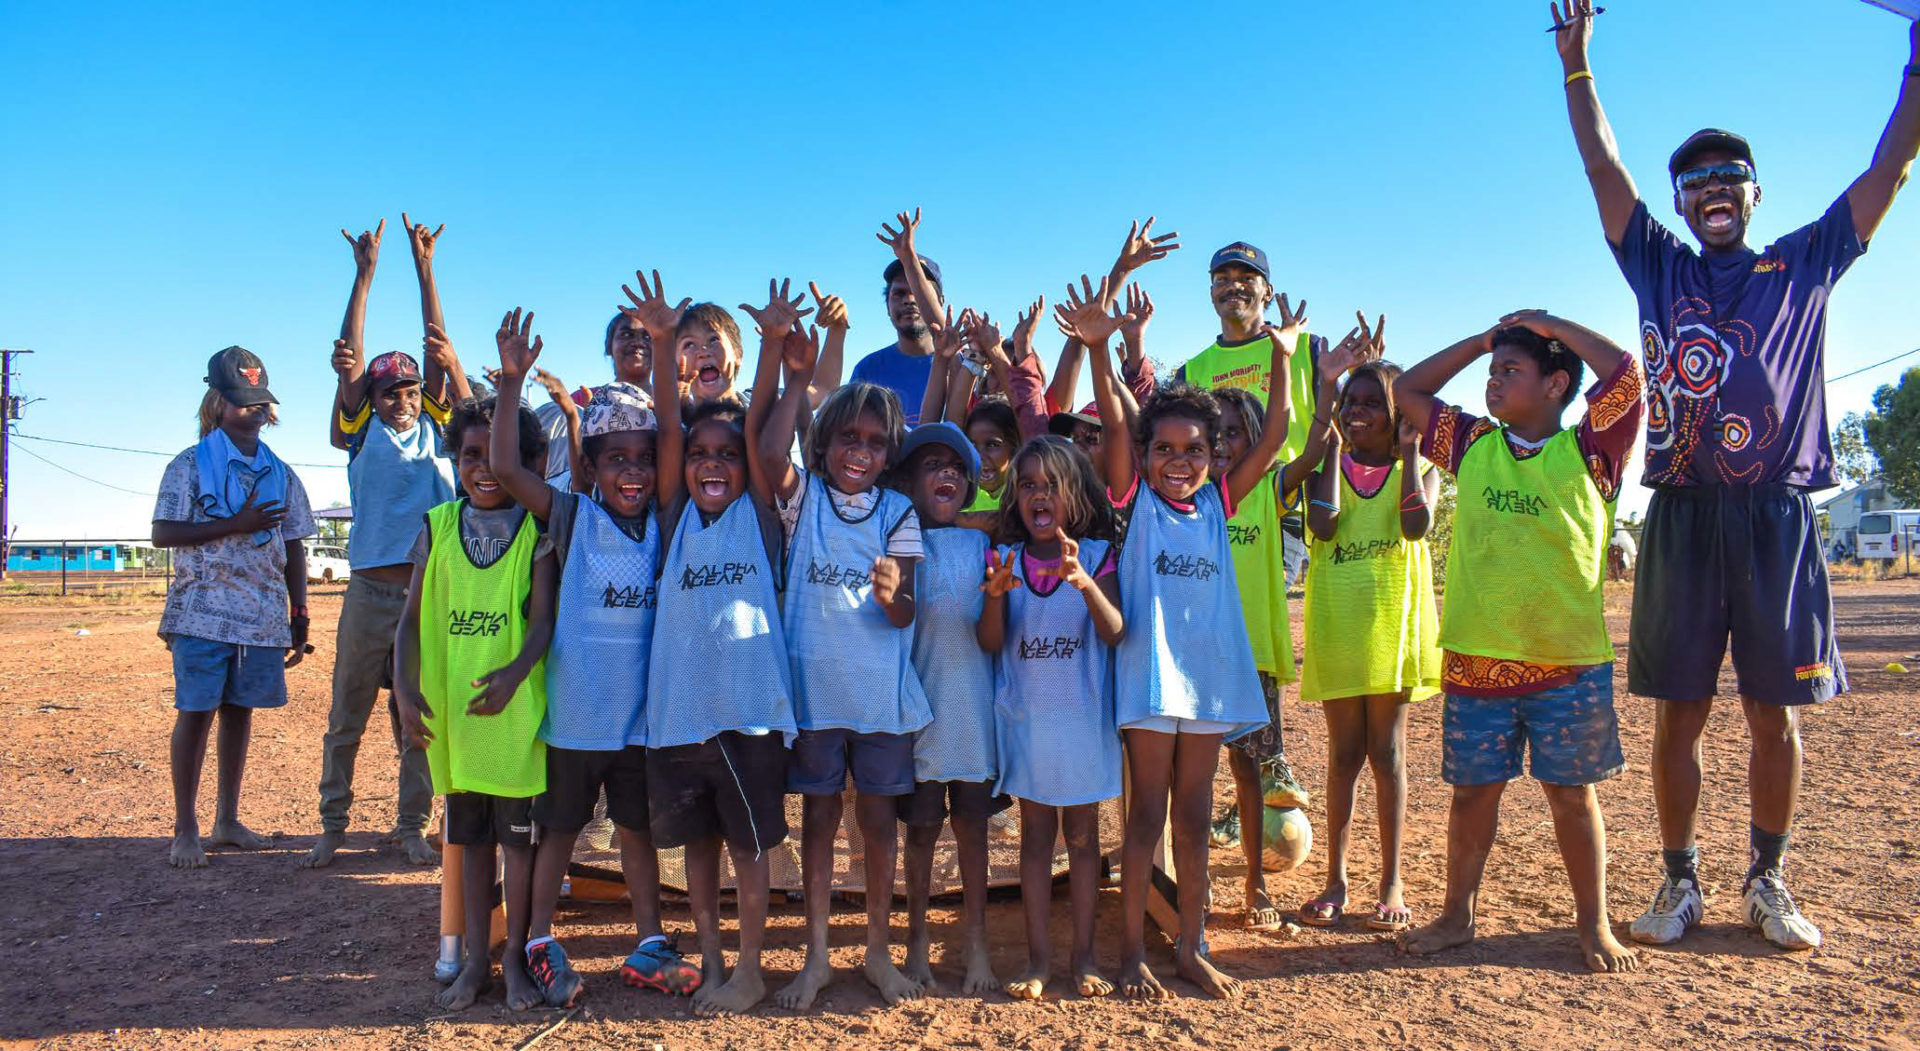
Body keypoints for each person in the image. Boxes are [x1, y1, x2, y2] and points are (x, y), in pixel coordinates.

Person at [1551, 0, 1920, 951]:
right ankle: (1680, 883)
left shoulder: (1806, 261)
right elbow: (1602, 167)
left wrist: (1919, 61)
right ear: (1679, 203)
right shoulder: (1658, 268)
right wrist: (1577, 64)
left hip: (1776, 516)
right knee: (1681, 715)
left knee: (1775, 714)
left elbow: (1887, 169)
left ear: (1754, 192)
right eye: (1696, 181)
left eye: (1730, 177)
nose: (1713, 188)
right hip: (1679, 512)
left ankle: (1769, 877)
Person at [1393, 310, 1644, 974]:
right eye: (1492, 371)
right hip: (1478, 658)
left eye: (1512, 370)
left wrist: (1544, 321)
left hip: (1567, 663)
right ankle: (1457, 914)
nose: (1495, 380)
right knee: (1474, 792)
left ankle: (1593, 924)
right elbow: (1408, 394)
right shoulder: (1474, 444)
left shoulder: (1593, 448)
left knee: (1571, 793)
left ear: (1558, 383)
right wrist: (1481, 340)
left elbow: (1626, 375)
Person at [1067, 275, 1293, 1000]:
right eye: (1162, 448)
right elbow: (1111, 410)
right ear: (1144, 452)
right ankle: (1133, 951)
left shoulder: (1220, 501)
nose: (1178, 461)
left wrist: (1284, 356)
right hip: (1146, 675)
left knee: (1195, 817)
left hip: (1207, 676)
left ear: (1214, 453)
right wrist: (1101, 350)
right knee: (1147, 819)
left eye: (1193, 448)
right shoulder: (1134, 499)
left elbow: (1281, 432)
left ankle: (1191, 945)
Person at [485, 309, 702, 1007]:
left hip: (637, 720)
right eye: (616, 459)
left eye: (641, 458)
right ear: (590, 466)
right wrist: (513, 385)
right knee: (561, 831)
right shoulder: (573, 516)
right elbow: (504, 467)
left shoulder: (662, 521)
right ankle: (541, 941)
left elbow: (671, 435)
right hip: (577, 719)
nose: (633, 471)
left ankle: (648, 943)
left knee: (636, 832)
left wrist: (666, 354)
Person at [749, 279, 929, 1010]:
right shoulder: (808, 498)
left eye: (874, 442)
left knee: (877, 824)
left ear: (890, 454)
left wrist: (895, 597)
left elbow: (905, 613)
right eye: (847, 437)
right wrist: (796, 376)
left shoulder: (899, 510)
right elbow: (766, 455)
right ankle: (819, 953)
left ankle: (880, 951)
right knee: (819, 820)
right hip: (815, 695)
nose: (859, 450)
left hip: (879, 698)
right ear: (824, 444)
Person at [305, 217, 460, 869]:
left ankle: (410, 826)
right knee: (347, 716)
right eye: (387, 390)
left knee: (417, 720)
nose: (401, 397)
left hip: (428, 595)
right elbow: (348, 353)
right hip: (370, 591)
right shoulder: (361, 432)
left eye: (409, 388)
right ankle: (333, 824)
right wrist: (364, 275)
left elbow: (439, 345)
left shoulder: (441, 427)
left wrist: (425, 267)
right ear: (369, 398)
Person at [395, 392, 557, 1011]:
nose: (484, 466)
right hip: (455, 720)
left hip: (514, 720)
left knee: (518, 844)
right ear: (454, 459)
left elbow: (541, 623)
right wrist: (406, 689)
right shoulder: (438, 528)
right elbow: (410, 622)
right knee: (468, 843)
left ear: (529, 462)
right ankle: (472, 963)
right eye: (471, 454)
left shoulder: (535, 531)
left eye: (500, 454)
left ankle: (513, 957)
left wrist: (516, 672)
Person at [648, 356, 798, 1017]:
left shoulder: (757, 516)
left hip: (748, 717)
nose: (712, 463)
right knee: (699, 847)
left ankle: (749, 967)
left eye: (727, 454)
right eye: (699, 452)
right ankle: (710, 957)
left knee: (748, 846)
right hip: (680, 716)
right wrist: (661, 349)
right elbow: (667, 429)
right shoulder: (675, 515)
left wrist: (769, 349)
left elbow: (763, 431)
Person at [152, 346, 316, 869]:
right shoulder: (189, 466)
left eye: (261, 403)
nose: (254, 412)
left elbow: (294, 543)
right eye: (242, 402)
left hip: (261, 614)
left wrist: (300, 610)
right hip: (202, 611)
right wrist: (235, 524)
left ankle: (227, 818)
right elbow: (163, 533)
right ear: (217, 404)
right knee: (196, 713)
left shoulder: (281, 473)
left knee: (239, 713)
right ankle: (185, 828)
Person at [1295, 352, 1442, 933]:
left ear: (1396, 413)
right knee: (1342, 757)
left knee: (1388, 755)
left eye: (1370, 404)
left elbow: (1413, 526)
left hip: (1392, 633)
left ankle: (1391, 881)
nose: (1357, 413)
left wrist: (1409, 456)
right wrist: (1330, 443)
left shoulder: (1424, 470)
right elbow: (1326, 524)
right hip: (1339, 630)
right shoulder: (1323, 470)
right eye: (1348, 403)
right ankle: (1336, 878)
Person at [979, 435, 1124, 1001]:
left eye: (1051, 485)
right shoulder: (1005, 560)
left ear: (1075, 494)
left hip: (1083, 722)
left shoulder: (1095, 553)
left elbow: (1114, 632)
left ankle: (1084, 958)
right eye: (1027, 485)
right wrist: (993, 595)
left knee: (1083, 841)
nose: (1039, 495)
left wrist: (1084, 582)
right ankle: (1040, 962)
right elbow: (990, 643)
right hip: (1030, 724)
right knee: (1036, 842)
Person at [1177, 241, 1315, 835]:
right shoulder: (1194, 368)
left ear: (1266, 289)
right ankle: (1249, 772)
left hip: (1277, 503)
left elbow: (1316, 426)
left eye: (1246, 277)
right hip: (1214, 510)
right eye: (1222, 277)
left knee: (1248, 622)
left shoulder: (1300, 347)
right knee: (1214, 629)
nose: (1233, 284)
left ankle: (1269, 755)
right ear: (1210, 291)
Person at [891, 422, 1007, 996]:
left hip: (975, 714)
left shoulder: (982, 543)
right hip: (916, 712)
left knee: (973, 833)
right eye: (932, 465)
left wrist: (971, 523)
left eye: (958, 468)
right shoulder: (895, 536)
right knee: (919, 834)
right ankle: (915, 941)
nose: (947, 475)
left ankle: (978, 944)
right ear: (908, 480)